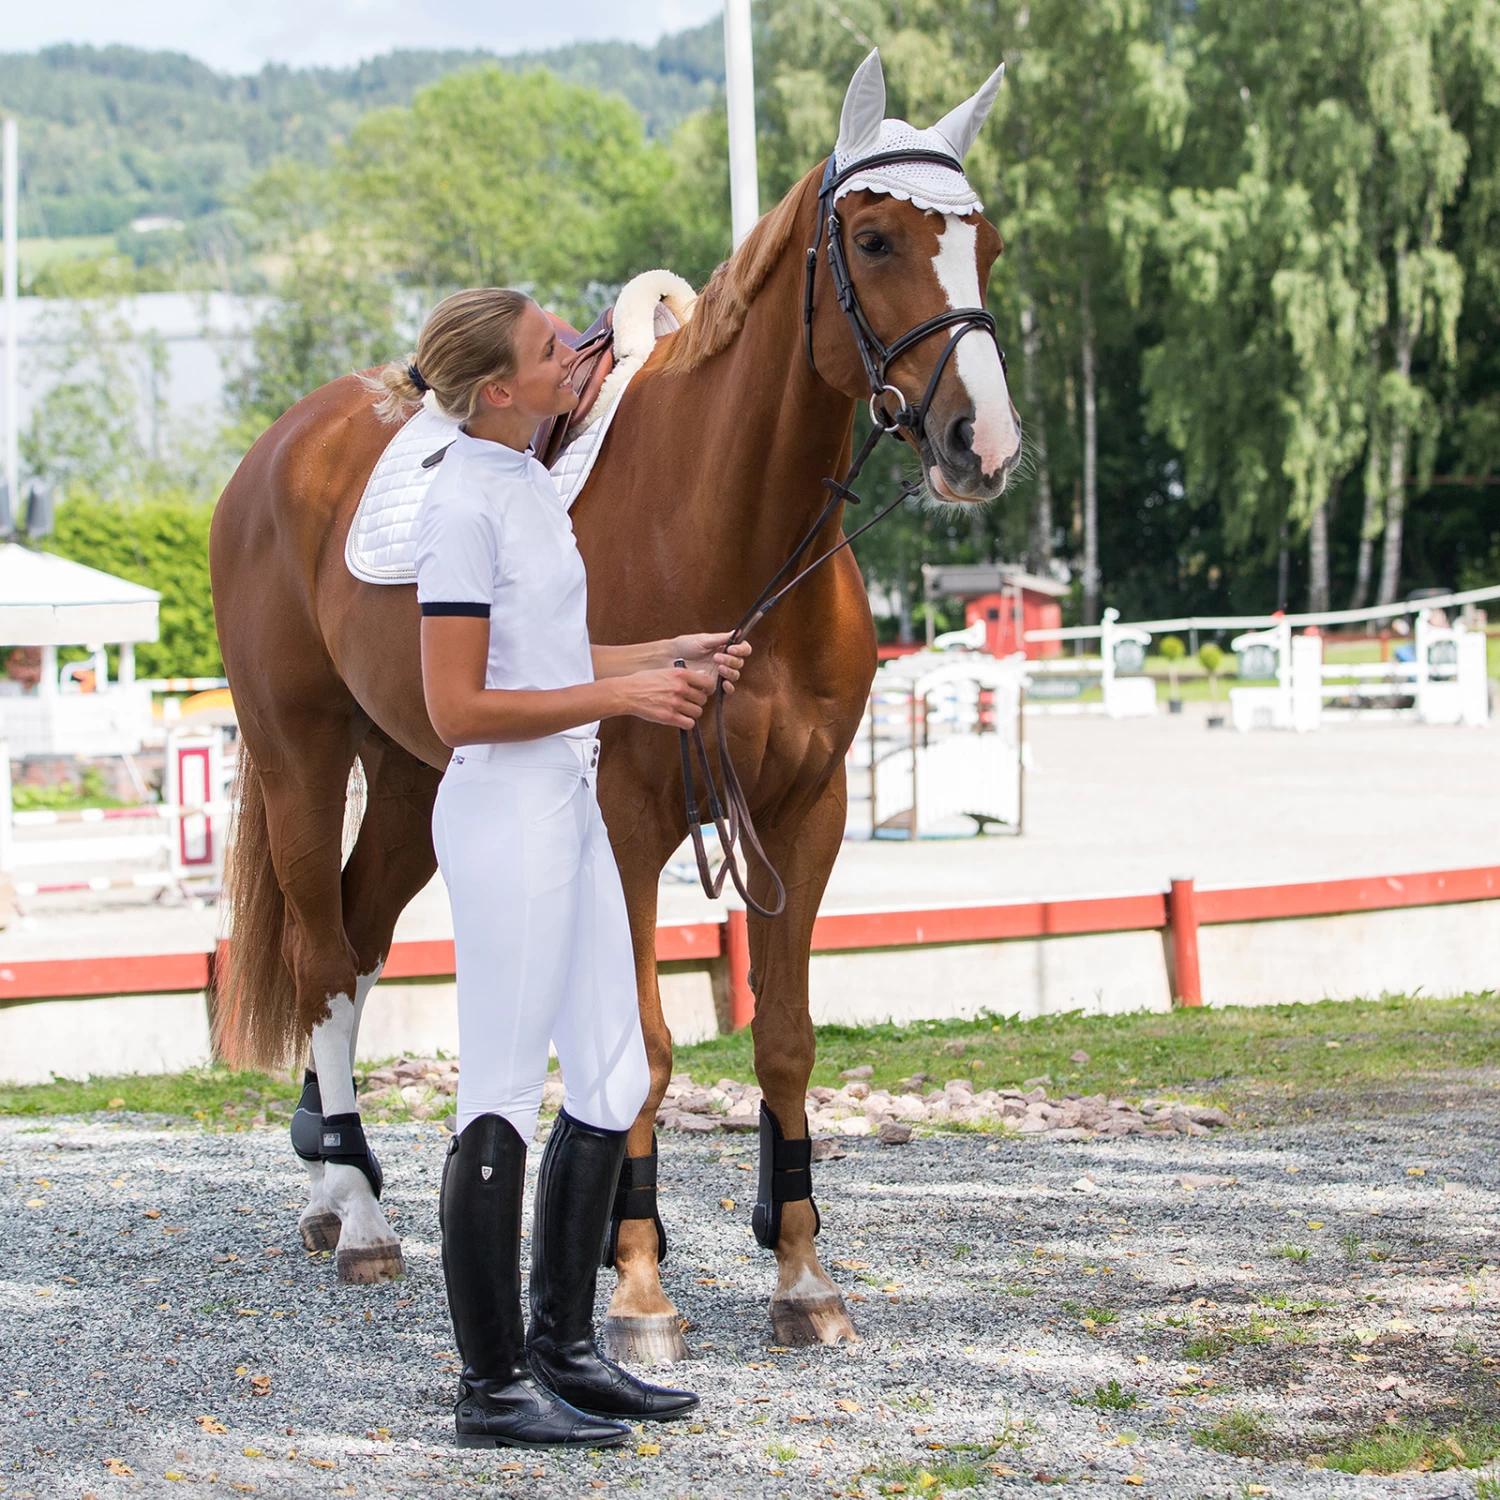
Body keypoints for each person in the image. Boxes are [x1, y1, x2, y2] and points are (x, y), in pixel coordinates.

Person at [373, 288, 750, 1449]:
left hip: (567, 801)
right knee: (497, 1091)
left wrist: (665, 651)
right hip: (505, 814)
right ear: (498, 389)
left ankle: (566, 1352)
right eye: (550, 348)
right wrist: (629, 696)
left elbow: (542, 651)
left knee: (613, 1073)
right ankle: (491, 1388)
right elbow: (456, 706)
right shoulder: (461, 507)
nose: (574, 353)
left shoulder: (529, 481)